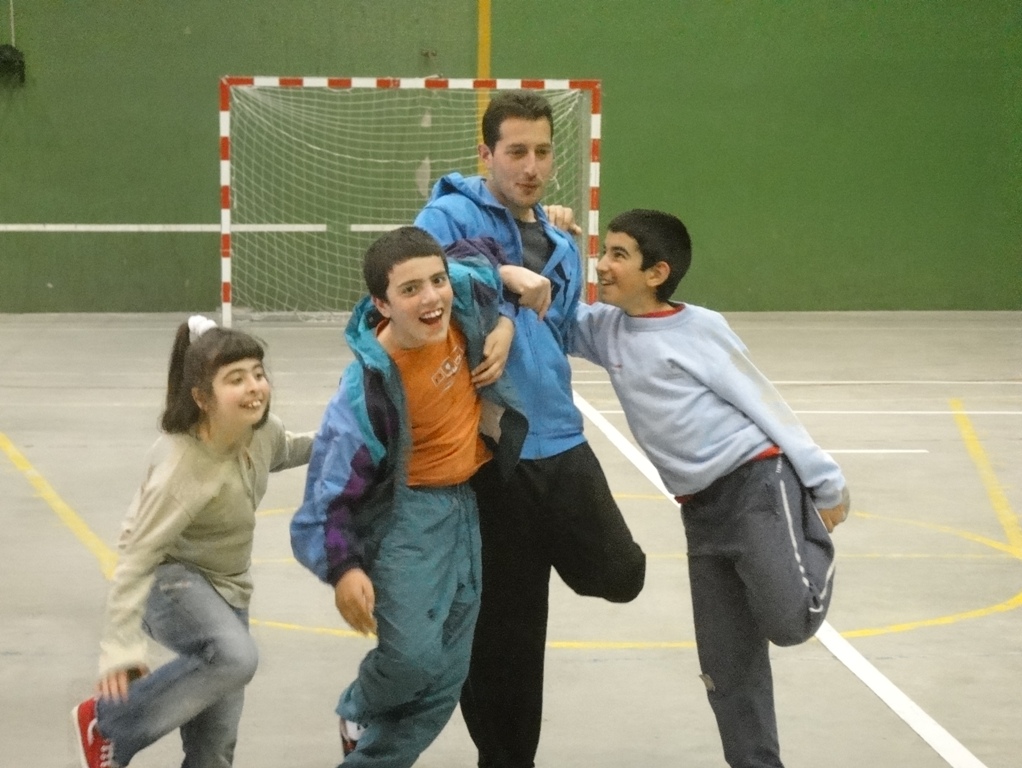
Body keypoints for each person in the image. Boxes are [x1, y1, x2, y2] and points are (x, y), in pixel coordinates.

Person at [564, 209, 851, 768]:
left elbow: (763, 401)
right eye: (604, 251)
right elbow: (549, 310)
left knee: (790, 621)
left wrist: (823, 481)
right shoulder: (607, 329)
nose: (602, 265)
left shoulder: (699, 329)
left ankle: (808, 537)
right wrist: (547, 233)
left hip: (755, 485)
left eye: (619, 255)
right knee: (726, 668)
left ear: (657, 272)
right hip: (699, 512)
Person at [414, 90, 646, 768]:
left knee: (621, 572)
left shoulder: (561, 237)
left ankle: (513, 570)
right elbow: (416, 274)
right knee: (511, 636)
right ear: (486, 154)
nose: (531, 165)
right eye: (516, 152)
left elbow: (567, 326)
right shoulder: (450, 212)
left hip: (561, 441)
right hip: (493, 452)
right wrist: (501, 277)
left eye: (543, 152)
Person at [289, 227, 528, 767]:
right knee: (413, 660)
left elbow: (484, 259)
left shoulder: (461, 299)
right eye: (411, 289)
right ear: (381, 304)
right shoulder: (365, 393)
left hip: (466, 509)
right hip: (410, 522)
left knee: (446, 680)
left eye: (437, 281)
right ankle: (358, 704)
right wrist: (345, 568)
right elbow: (326, 500)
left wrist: (511, 309)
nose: (432, 298)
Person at [71, 316, 314, 768]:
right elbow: (135, 557)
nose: (255, 387)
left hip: (228, 589)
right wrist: (120, 648)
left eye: (258, 374)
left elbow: (290, 449)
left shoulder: (261, 432)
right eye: (236, 380)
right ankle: (107, 722)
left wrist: (346, 439)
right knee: (235, 657)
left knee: (214, 746)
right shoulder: (182, 469)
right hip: (168, 582)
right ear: (202, 398)